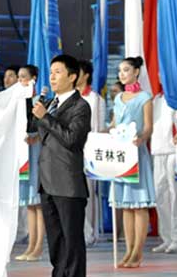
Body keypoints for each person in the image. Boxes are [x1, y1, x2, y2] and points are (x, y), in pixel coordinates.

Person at [32, 54, 91, 277]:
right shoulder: (49, 103)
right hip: (47, 183)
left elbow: (72, 140)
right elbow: (33, 129)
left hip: (68, 184)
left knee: (72, 242)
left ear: (72, 76)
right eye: (51, 72)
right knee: (56, 243)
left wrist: (46, 117)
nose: (53, 76)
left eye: (58, 72)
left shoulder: (80, 106)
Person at [110, 56, 154, 268]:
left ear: (136, 72)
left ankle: (138, 251)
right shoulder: (118, 98)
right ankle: (128, 250)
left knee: (139, 205)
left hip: (137, 153)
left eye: (126, 70)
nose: (122, 74)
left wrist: (141, 138)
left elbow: (148, 127)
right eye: (120, 71)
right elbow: (114, 124)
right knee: (126, 206)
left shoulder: (145, 97)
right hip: (121, 155)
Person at [150, 91, 177, 254]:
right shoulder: (156, 99)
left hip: (174, 151)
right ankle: (166, 238)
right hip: (158, 150)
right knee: (160, 195)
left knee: (176, 195)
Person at [14, 64, 45, 262]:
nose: (20, 81)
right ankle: (31, 245)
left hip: (36, 152)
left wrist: (37, 137)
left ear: (33, 78)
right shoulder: (18, 101)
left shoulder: (39, 100)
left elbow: (47, 125)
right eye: (19, 77)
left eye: (24, 77)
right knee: (29, 204)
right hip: (23, 154)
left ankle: (38, 246)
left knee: (37, 203)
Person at [76, 60, 106, 246]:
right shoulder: (68, 97)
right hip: (71, 152)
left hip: (89, 152)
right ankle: (78, 231)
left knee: (87, 194)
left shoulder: (96, 99)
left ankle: (89, 233)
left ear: (86, 75)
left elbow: (99, 128)